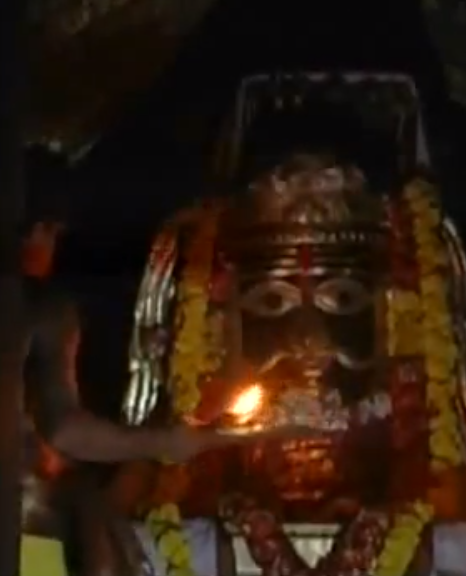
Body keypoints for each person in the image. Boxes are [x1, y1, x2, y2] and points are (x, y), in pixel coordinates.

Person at [20, 151, 315, 576]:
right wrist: (164, 442)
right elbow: (65, 430)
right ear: (38, 229)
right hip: (30, 521)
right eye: (54, 234)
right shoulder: (42, 306)